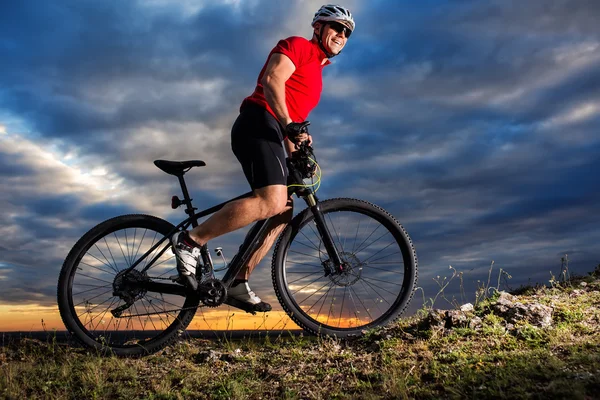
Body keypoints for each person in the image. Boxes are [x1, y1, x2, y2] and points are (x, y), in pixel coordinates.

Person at [171, 4, 355, 312]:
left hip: (273, 129)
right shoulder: (298, 46)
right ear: (319, 28)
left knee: (283, 210)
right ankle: (190, 241)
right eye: (337, 27)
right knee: (270, 201)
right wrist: (288, 125)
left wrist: (298, 154)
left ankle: (239, 281)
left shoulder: (318, 77)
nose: (342, 34)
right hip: (257, 122)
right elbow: (272, 81)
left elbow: (292, 123)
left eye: (347, 32)